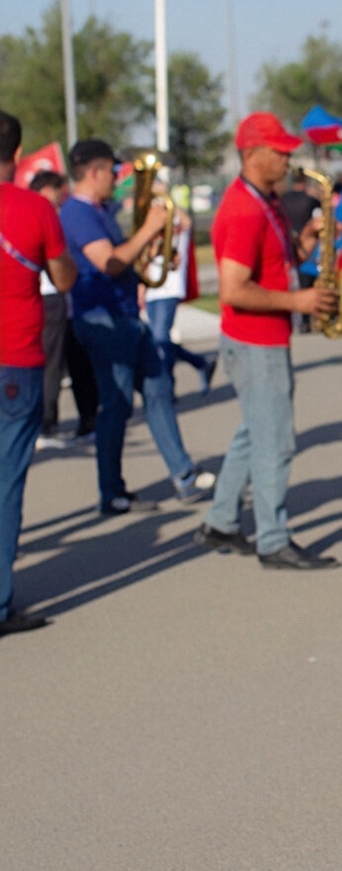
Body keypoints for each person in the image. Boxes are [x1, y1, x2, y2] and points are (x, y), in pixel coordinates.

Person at [198, 111, 341, 569]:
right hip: (255, 342)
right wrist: (299, 301)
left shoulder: (265, 200)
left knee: (253, 433)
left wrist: (307, 239)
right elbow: (233, 289)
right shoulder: (243, 210)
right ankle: (273, 541)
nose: (287, 158)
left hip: (261, 339)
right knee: (275, 440)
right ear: (252, 154)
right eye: (279, 151)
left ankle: (221, 521)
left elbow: (277, 262)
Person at [60, 139, 213, 516]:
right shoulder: (77, 213)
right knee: (117, 404)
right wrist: (149, 229)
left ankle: (183, 475)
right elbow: (109, 262)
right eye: (113, 171)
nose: (118, 178)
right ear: (94, 171)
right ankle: (111, 492)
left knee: (159, 388)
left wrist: (154, 252)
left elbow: (124, 259)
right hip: (103, 319)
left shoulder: (100, 211)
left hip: (125, 314)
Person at [0, 110, 77, 631]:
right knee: (6, 483)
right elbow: (64, 278)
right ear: (17, 152)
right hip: (16, 358)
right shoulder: (35, 207)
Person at [29, 170, 98, 447]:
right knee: (52, 364)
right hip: (51, 295)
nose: (62, 198)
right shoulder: (40, 214)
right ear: (47, 189)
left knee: (74, 359)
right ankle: (47, 425)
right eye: (59, 192)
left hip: (62, 299)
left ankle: (86, 420)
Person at [142, 213, 216, 396]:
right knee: (158, 340)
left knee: (160, 337)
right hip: (152, 293)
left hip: (170, 291)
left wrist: (168, 204)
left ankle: (166, 385)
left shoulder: (178, 236)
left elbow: (187, 222)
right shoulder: (152, 239)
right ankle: (200, 363)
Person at [279, 168, 322, 333]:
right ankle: (309, 317)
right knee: (309, 281)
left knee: (298, 281)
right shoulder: (311, 199)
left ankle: (303, 321)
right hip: (308, 244)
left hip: (290, 241)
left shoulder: (284, 199)